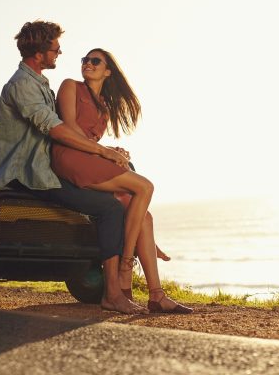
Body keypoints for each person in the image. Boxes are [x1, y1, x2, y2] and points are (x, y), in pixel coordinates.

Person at [0, 20, 146, 315]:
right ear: (39, 53)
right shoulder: (22, 85)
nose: (59, 52)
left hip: (44, 171)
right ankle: (113, 292)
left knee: (117, 200)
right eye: (54, 48)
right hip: (26, 177)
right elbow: (57, 130)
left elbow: (74, 131)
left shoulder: (40, 84)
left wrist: (109, 150)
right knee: (108, 208)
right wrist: (102, 151)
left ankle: (129, 284)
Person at [51, 48, 192, 313]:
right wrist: (105, 153)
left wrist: (113, 151)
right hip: (69, 157)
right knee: (145, 186)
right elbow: (69, 128)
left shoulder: (104, 107)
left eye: (95, 61)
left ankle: (156, 295)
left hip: (90, 157)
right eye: (85, 60)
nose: (87, 64)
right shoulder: (70, 86)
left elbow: (91, 140)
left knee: (144, 218)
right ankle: (125, 268)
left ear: (107, 71)